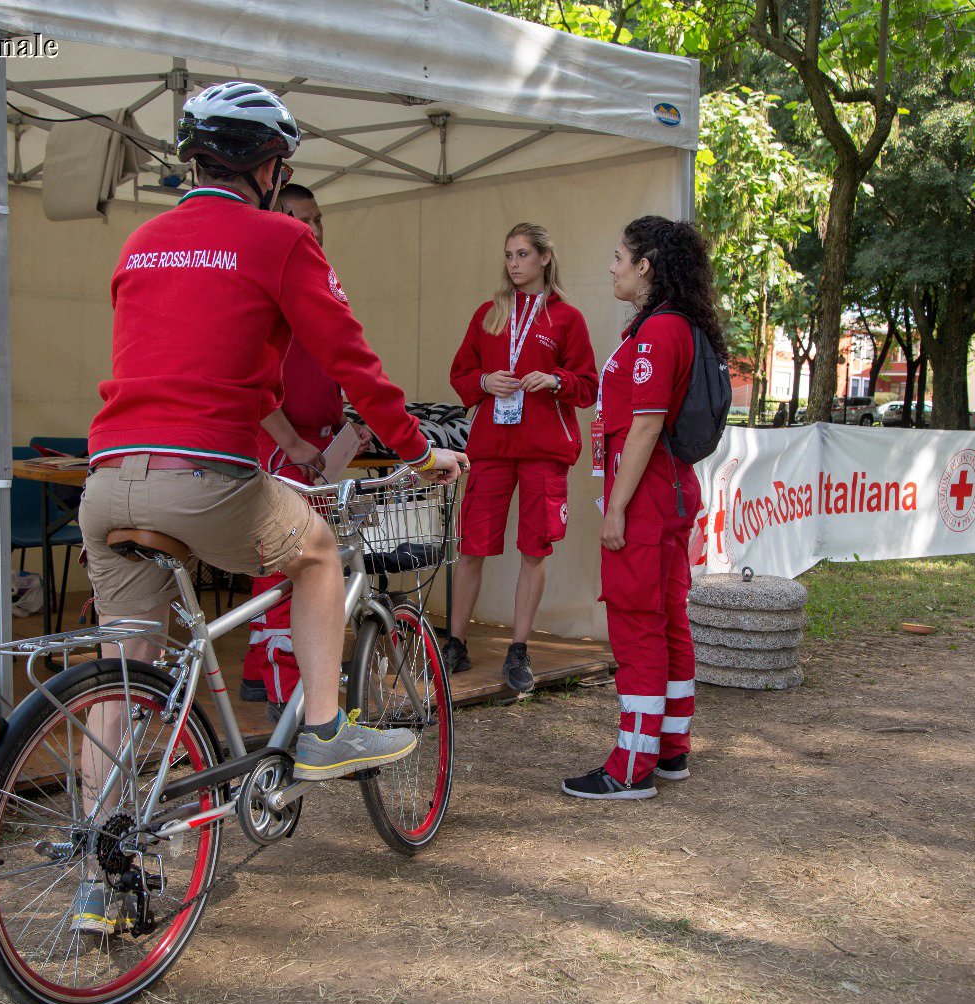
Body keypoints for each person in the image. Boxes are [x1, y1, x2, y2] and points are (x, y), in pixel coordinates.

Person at [75, 82, 466, 930]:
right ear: (270, 164)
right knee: (319, 551)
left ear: (195, 159)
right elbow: (353, 362)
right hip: (205, 477)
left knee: (124, 667)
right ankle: (324, 726)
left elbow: (176, 358)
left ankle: (97, 874)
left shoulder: (142, 243)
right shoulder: (281, 239)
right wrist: (415, 449)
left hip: (107, 479)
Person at [561, 216, 715, 801]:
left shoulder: (656, 334)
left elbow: (646, 425)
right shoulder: (674, 325)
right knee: (668, 620)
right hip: (668, 492)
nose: (612, 267)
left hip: (647, 499)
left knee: (637, 624)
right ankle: (670, 748)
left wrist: (614, 509)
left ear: (646, 266)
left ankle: (631, 763)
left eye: (619, 256)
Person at [444, 223, 596, 692]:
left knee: (535, 549)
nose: (514, 263)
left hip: (543, 452)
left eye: (523, 254)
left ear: (545, 258)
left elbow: (588, 386)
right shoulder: (489, 314)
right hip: (491, 449)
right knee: (472, 547)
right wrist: (484, 383)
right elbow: (461, 373)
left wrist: (555, 381)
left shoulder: (566, 318)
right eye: (508, 254)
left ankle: (519, 649)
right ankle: (455, 644)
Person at [240, 184, 371, 720]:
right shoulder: (265, 274)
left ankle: (258, 672)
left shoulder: (316, 280)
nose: (312, 229)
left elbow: (335, 363)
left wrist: (347, 424)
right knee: (289, 568)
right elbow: (247, 375)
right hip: (281, 447)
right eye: (300, 217)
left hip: (315, 444)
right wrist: (289, 440)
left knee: (286, 563)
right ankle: (285, 697)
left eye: (318, 219)